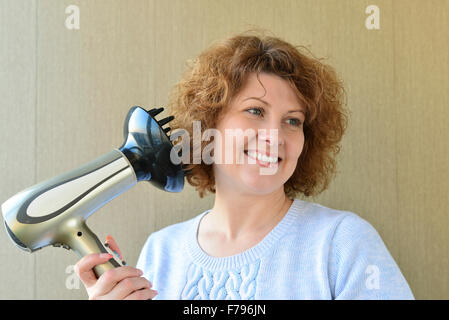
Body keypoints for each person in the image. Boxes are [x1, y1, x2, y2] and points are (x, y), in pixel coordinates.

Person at [74, 30, 414, 300]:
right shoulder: (162, 252)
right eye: (255, 111)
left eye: (293, 121)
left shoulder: (342, 243)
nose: (274, 136)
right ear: (209, 125)